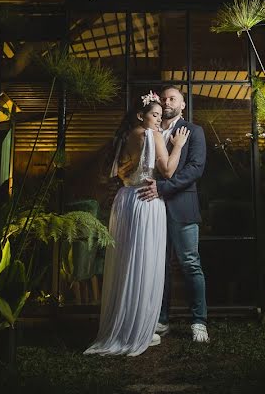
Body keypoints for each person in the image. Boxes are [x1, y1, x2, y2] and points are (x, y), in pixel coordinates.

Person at [84, 93, 190, 356]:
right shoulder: (150, 135)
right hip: (146, 202)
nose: (158, 119)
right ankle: (139, 328)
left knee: (126, 263)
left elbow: (119, 173)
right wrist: (177, 144)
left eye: (159, 115)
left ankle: (123, 325)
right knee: (144, 263)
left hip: (126, 200)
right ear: (141, 116)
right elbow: (166, 171)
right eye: (154, 115)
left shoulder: (125, 137)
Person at [137, 86, 209, 343]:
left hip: (182, 207)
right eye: (164, 98)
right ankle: (162, 319)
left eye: (173, 99)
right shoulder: (151, 131)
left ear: (182, 105)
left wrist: (163, 188)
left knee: (190, 264)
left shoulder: (194, 131)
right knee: (159, 266)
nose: (167, 102)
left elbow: (195, 169)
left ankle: (199, 321)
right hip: (152, 208)